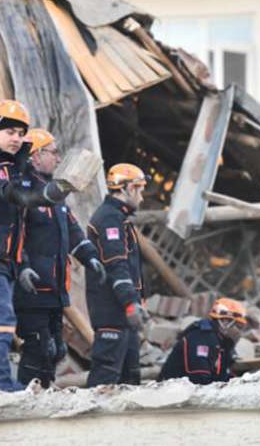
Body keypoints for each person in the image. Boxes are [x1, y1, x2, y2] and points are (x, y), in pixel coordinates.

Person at [0, 100, 68, 391]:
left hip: (5, 255)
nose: (16, 138)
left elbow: (25, 212)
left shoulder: (14, 165)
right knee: (0, 316)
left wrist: (22, 264)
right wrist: (9, 191)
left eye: (21, 133)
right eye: (10, 132)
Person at [14, 128, 106, 388]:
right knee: (39, 347)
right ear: (36, 155)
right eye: (53, 152)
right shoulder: (24, 191)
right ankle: (25, 397)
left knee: (56, 350)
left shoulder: (55, 195)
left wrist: (90, 257)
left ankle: (44, 394)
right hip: (32, 289)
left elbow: (73, 230)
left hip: (55, 290)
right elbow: (14, 234)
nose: (58, 158)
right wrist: (22, 267)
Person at [85, 164, 148, 387]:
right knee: (106, 378)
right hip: (111, 312)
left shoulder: (121, 218)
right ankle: (92, 422)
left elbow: (130, 269)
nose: (141, 197)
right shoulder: (109, 219)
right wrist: (131, 304)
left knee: (130, 379)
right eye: (139, 189)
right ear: (127, 188)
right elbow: (117, 266)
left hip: (123, 316)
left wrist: (138, 302)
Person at [158, 298, 247, 384]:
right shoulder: (201, 338)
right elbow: (200, 379)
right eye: (238, 327)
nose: (240, 332)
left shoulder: (222, 342)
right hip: (172, 391)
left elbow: (221, 374)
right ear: (225, 321)